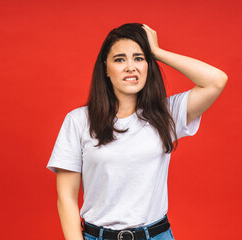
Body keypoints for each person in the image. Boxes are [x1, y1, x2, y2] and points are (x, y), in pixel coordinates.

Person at [47, 23, 228, 240]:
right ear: (105, 67)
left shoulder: (166, 114)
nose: (130, 67)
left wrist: (158, 52)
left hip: (156, 235)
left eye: (139, 58)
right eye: (120, 59)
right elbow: (66, 196)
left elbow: (216, 81)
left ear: (148, 65)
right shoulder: (78, 121)